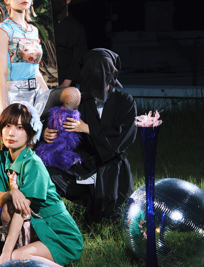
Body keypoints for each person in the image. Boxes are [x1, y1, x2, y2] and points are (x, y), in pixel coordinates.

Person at [0, 102, 111, 267]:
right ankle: (23, 247)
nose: (11, 133)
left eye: (19, 127)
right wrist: (13, 192)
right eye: (7, 125)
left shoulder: (34, 164)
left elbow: (21, 212)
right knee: (6, 209)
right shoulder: (1, 159)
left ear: (30, 134)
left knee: (15, 257)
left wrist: (6, 253)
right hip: (38, 227)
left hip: (60, 234)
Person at [43, 49, 136, 223]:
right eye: (92, 69)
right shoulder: (79, 101)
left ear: (112, 71)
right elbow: (60, 127)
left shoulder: (125, 101)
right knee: (46, 173)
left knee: (105, 218)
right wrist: (47, 133)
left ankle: (98, 204)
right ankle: (59, 214)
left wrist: (88, 129)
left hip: (111, 165)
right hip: (82, 163)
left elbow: (123, 137)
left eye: (102, 69)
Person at [0, 0, 80, 116]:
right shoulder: (4, 30)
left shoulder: (34, 30)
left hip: (38, 93)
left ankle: (58, 128)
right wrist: (2, 110)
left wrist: (48, 94)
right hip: (17, 96)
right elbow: (2, 73)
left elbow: (36, 70)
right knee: (26, 129)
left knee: (73, 94)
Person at [50, 0, 88, 88]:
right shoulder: (49, 25)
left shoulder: (76, 27)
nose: (55, 2)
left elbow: (77, 57)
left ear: (68, 0)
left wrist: (66, 82)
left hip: (66, 79)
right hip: (48, 77)